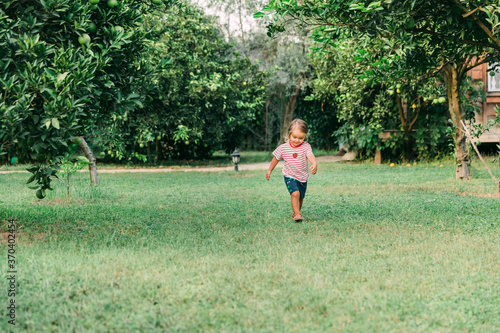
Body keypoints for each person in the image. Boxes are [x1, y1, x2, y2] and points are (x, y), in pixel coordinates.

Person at [266, 119, 317, 222]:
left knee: (301, 197)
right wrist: (270, 170)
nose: (297, 140)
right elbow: (276, 158)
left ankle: (295, 212)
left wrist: (314, 163)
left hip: (302, 177)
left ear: (305, 136)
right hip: (289, 175)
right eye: (294, 137)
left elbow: (310, 155)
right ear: (289, 134)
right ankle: (298, 214)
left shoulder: (306, 146)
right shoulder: (283, 148)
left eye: (300, 138)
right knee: (295, 194)